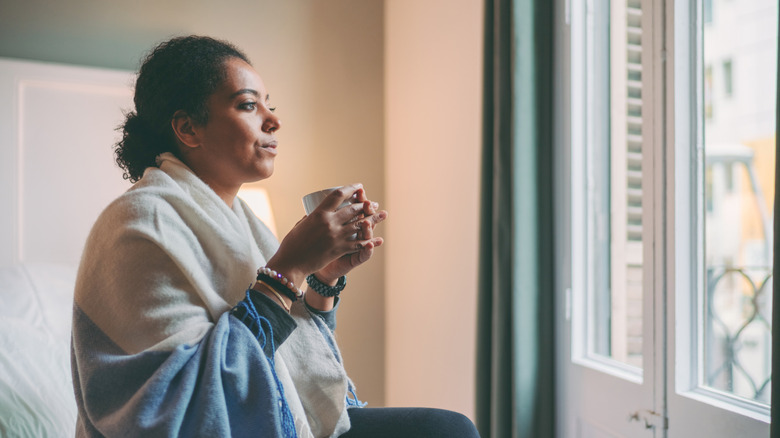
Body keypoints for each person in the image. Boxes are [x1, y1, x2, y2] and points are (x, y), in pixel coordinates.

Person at [71, 35, 479, 438]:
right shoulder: (142, 223)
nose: (274, 120)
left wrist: (323, 277)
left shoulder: (238, 222)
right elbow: (179, 406)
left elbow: (280, 355)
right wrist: (290, 267)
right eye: (249, 105)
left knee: (445, 428)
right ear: (188, 128)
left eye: (271, 105)